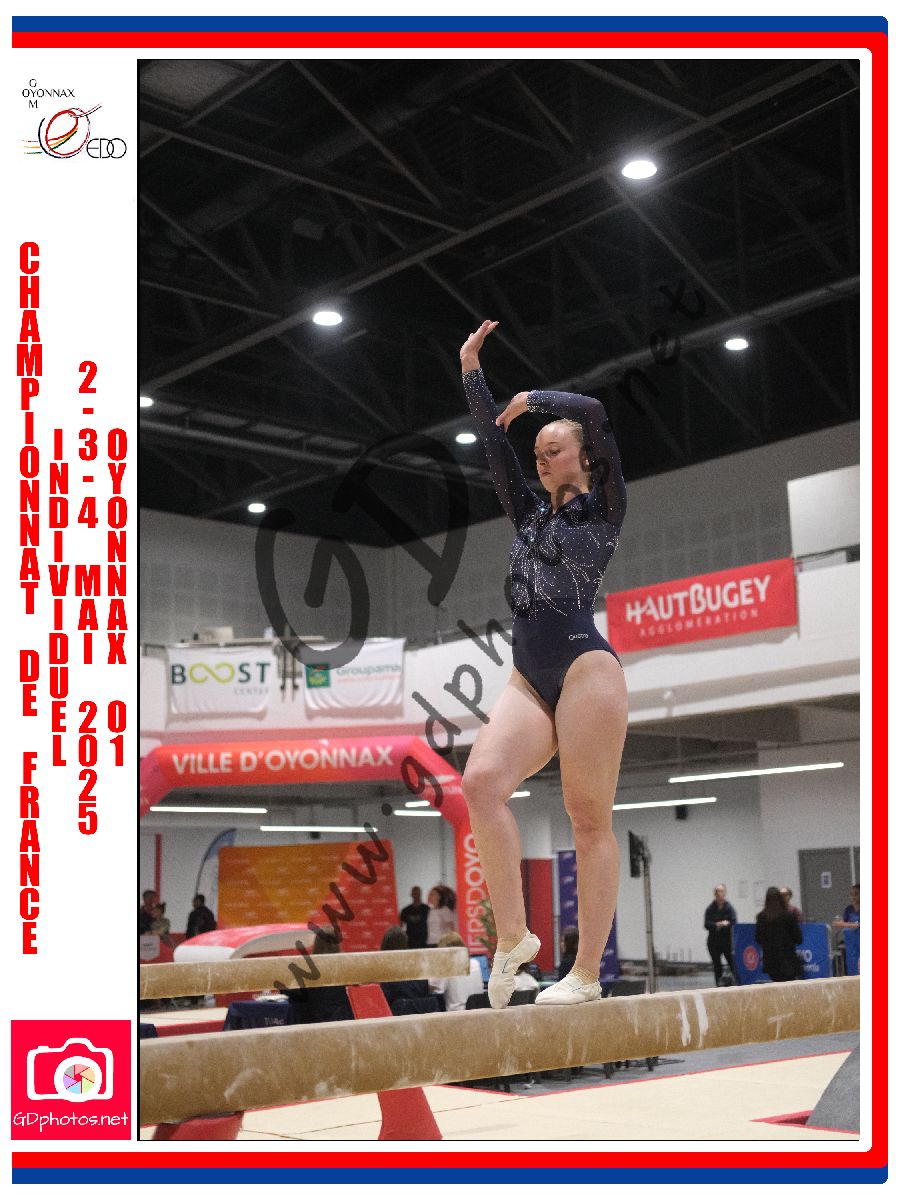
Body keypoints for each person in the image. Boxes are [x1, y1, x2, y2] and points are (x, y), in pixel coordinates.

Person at [459, 321, 628, 1009]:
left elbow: (595, 412)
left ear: (583, 458)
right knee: (480, 784)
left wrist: (532, 398)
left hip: (586, 669)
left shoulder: (605, 507)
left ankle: (585, 974)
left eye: (553, 450)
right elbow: (492, 442)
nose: (541, 458)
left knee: (587, 819)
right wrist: (472, 370)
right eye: (538, 454)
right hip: (528, 675)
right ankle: (514, 937)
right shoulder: (528, 516)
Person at [283, 931, 353, 1023]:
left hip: (314, 1022)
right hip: (341, 1022)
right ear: (337, 945)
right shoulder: (348, 967)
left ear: (316, 945)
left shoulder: (307, 967)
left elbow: (292, 994)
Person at [754, 886, 804, 982]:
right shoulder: (788, 916)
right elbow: (798, 938)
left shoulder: (761, 917)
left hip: (770, 961)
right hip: (788, 960)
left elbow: (758, 938)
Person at [379, 925, 431, 1013]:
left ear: (385, 943)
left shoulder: (385, 967)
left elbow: (384, 999)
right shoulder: (416, 964)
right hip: (417, 1012)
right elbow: (424, 991)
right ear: (405, 943)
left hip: (398, 1013)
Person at [427, 931, 484, 1011]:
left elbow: (430, 987)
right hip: (479, 1012)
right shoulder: (476, 963)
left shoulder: (448, 967)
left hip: (457, 1014)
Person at [703, 884, 738, 984]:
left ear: (725, 893)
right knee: (717, 966)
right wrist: (716, 925)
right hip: (714, 942)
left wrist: (725, 925)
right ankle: (718, 985)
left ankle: (736, 984)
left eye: (721, 891)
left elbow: (734, 922)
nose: (719, 893)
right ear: (714, 894)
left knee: (732, 964)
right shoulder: (710, 909)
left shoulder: (729, 908)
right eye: (717, 891)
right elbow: (706, 924)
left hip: (727, 942)